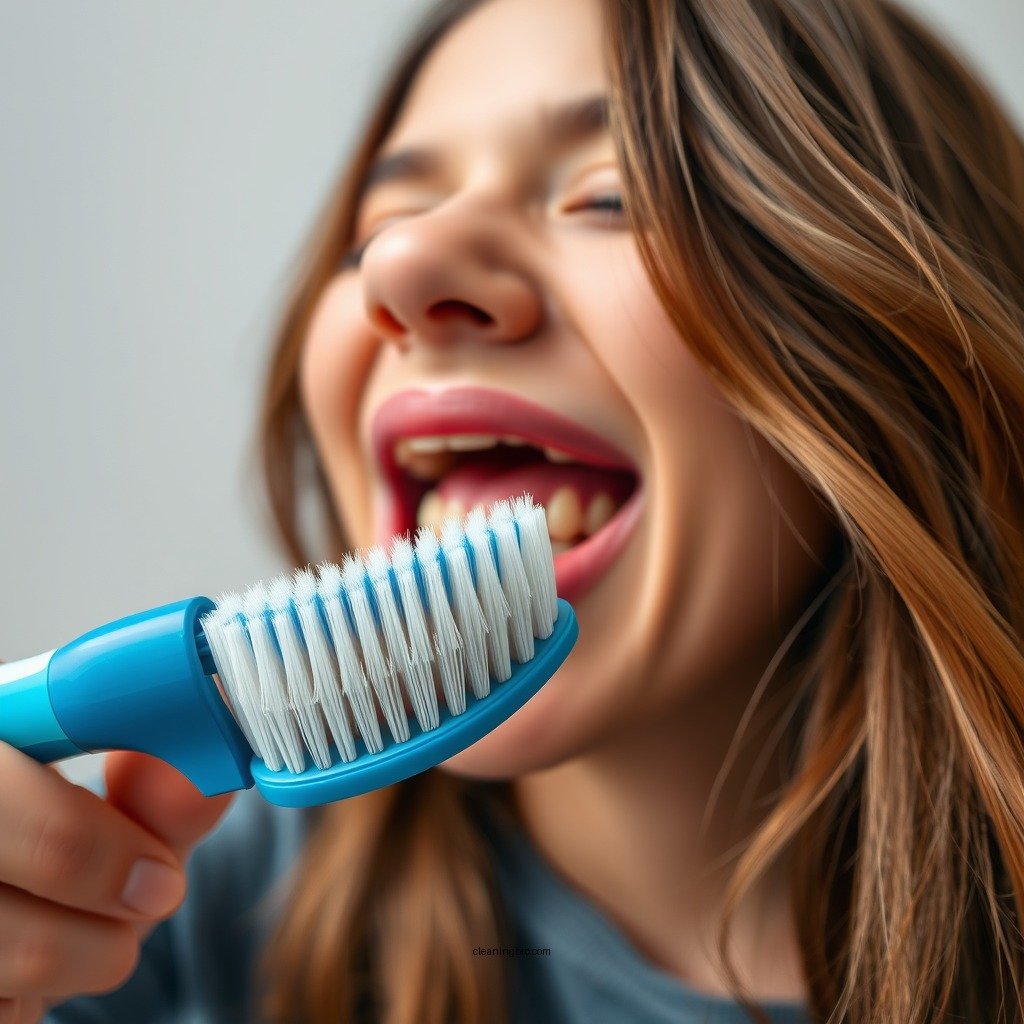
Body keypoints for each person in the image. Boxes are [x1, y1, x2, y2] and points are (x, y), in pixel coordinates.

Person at [3, 0, 1022, 1021]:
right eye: (376, 232)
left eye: (611, 196)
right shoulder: (143, 938)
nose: (405, 268)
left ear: (899, 354)